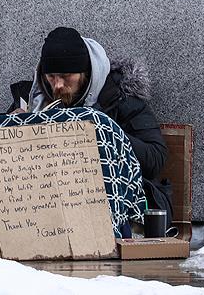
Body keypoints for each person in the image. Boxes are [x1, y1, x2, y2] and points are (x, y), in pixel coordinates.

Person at [10, 27, 169, 230]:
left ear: (84, 73)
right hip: (47, 205)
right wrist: (15, 127)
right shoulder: (33, 98)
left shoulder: (118, 97)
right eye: (51, 76)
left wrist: (102, 130)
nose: (57, 85)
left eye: (66, 76)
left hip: (112, 202)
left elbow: (155, 158)